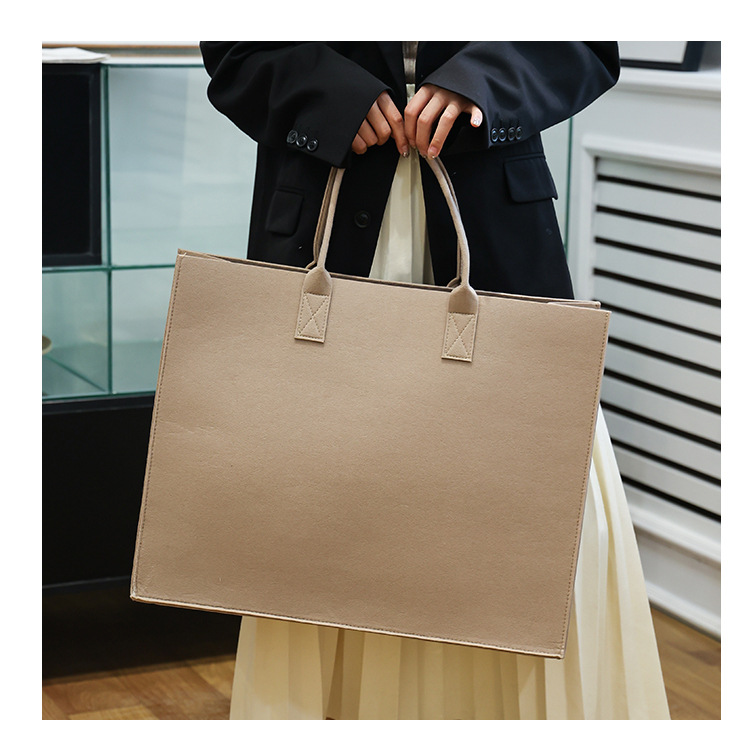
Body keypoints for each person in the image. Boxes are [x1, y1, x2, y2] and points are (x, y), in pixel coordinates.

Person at [199, 41, 671, 719]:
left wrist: (484, 83)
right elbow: (233, 42)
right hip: (328, 208)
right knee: (315, 519)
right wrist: (330, 95)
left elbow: (586, 39)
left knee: (536, 514)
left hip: (494, 226)